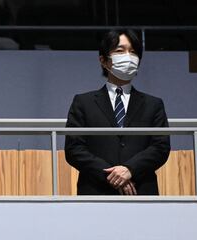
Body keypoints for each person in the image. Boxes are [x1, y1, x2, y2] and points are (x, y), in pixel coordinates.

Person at [64, 29, 170, 195]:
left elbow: (160, 147)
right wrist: (111, 175)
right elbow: (74, 149)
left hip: (141, 190)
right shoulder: (83, 102)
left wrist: (130, 169)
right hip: (95, 191)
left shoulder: (154, 104)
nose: (128, 56)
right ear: (103, 60)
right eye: (120, 51)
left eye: (133, 52)